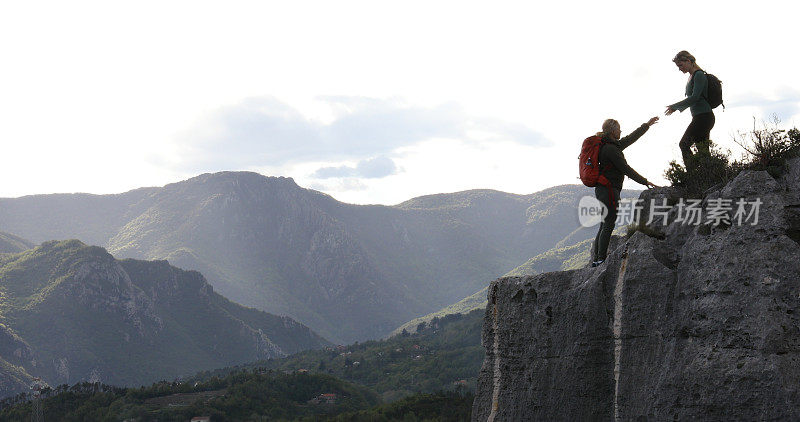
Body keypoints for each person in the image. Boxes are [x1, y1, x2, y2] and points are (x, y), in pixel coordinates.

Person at [591, 117, 659, 267]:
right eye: (618, 129)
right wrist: (645, 181)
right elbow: (625, 168)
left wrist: (646, 125)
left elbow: (630, 139)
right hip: (609, 190)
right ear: (612, 131)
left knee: (604, 224)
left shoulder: (610, 145)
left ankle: (596, 259)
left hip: (603, 190)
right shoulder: (611, 149)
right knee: (608, 224)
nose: (621, 131)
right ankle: (600, 259)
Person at [665, 50, 715, 166]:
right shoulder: (691, 77)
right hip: (699, 117)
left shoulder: (699, 75)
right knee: (703, 152)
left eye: (680, 65)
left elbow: (695, 97)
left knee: (684, 144)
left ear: (688, 61)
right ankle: (707, 176)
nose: (679, 68)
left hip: (704, 117)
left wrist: (675, 106)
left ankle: (692, 176)